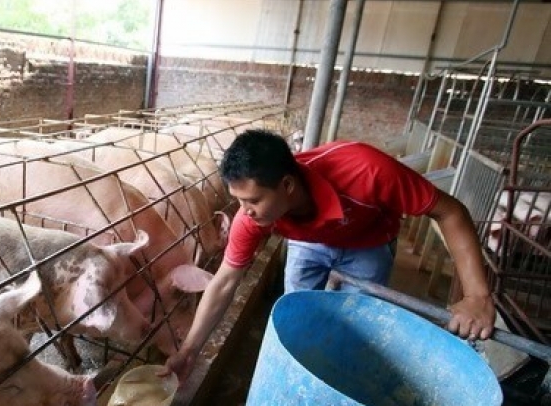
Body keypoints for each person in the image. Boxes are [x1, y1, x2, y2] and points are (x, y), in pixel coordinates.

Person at [163, 129, 496, 382]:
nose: (244, 212)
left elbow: (450, 212)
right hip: (307, 240)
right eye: (239, 201)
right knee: (295, 314)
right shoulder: (252, 217)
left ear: (288, 186)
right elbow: (225, 281)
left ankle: (339, 380)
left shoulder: (368, 171)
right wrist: (189, 349)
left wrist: (477, 295)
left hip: (367, 240)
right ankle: (295, 377)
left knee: (356, 325)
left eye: (252, 200)